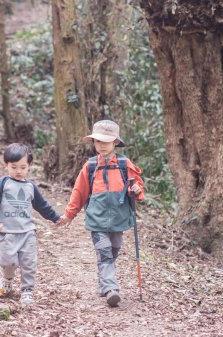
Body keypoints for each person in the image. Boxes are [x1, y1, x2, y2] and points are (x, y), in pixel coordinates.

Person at [58, 120, 144, 307]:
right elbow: (79, 191)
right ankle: (111, 288)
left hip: (119, 218)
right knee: (104, 252)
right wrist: (69, 214)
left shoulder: (124, 163)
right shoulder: (90, 166)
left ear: (115, 142)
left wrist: (136, 190)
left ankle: (104, 279)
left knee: (114, 249)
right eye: (98, 141)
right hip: (97, 218)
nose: (102, 145)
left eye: (106, 141)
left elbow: (136, 185)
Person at [0, 143, 62, 305]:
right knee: (8, 262)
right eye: (14, 167)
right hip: (7, 232)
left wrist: (56, 218)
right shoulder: (2, 183)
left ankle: (27, 291)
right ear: (5, 165)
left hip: (28, 232)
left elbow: (42, 206)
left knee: (29, 264)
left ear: (29, 167)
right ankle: (7, 280)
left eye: (23, 167)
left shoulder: (30, 187)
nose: (18, 171)